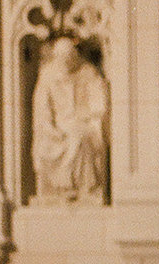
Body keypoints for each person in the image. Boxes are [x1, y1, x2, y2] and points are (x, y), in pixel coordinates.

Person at [30, 36, 110, 205]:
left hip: (82, 122)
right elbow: (42, 107)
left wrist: (87, 116)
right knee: (48, 142)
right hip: (56, 124)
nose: (65, 62)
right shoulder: (48, 75)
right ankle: (57, 190)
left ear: (74, 56)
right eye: (61, 58)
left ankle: (71, 187)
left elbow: (99, 103)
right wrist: (49, 128)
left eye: (68, 58)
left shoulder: (88, 71)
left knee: (78, 137)